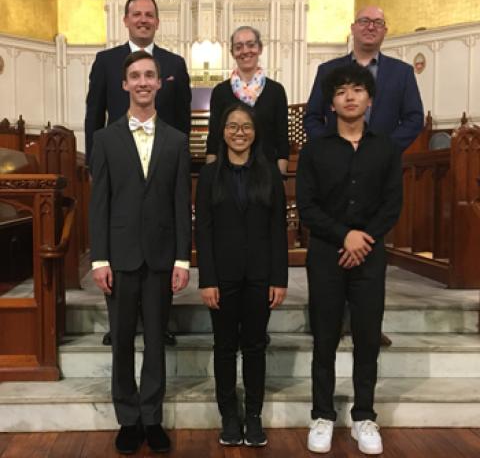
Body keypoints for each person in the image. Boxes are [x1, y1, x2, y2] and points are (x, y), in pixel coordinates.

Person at [296, 64, 402, 455]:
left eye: (358, 90)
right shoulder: (315, 149)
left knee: (367, 339)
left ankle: (363, 417)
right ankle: (322, 415)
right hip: (326, 254)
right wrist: (345, 236)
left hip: (371, 256)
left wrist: (363, 239)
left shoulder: (386, 148)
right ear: (332, 101)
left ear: (369, 98)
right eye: (341, 92)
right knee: (324, 338)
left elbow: (392, 205)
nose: (350, 97)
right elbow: (306, 207)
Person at [89, 50, 191, 454]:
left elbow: (182, 204)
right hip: (120, 257)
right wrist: (99, 259)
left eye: (150, 75)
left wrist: (183, 258)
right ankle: (127, 418)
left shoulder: (177, 140)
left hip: (162, 258)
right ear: (125, 84)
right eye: (136, 76)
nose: (143, 82)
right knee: (122, 344)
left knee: (154, 341)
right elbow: (100, 204)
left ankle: (152, 416)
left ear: (160, 82)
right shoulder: (105, 138)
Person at [85, 0, 191, 346]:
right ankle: (120, 325)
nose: (143, 19)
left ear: (157, 22)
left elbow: (183, 121)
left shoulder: (175, 64)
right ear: (126, 20)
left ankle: (160, 323)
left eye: (150, 15)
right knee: (120, 244)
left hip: (161, 160)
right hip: (117, 167)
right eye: (137, 14)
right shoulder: (106, 61)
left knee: (158, 251)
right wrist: (95, 167)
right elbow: (93, 115)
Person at [195, 103, 288, 447]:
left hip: (261, 276)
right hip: (222, 276)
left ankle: (253, 415)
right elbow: (202, 231)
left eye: (246, 126)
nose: (239, 132)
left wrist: (280, 278)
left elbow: (279, 230)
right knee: (224, 347)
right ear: (221, 132)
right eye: (232, 126)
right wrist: (207, 279)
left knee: (254, 347)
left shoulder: (269, 174)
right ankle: (228, 416)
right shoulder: (208, 175)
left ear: (255, 132)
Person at [304, 6, 423, 152]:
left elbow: (414, 119)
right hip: (336, 161)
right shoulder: (328, 70)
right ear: (353, 28)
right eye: (364, 21)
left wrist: (386, 148)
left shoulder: (402, 72)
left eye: (378, 22)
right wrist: (329, 147)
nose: (371, 27)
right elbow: (312, 118)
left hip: (384, 162)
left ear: (385, 31)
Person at [205, 26, 290, 176]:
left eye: (251, 45)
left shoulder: (276, 91)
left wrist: (281, 178)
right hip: (227, 175)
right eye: (238, 47)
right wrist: (210, 178)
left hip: (266, 173)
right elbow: (214, 139)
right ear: (232, 53)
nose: (245, 51)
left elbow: (281, 139)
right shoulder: (220, 91)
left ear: (260, 48)